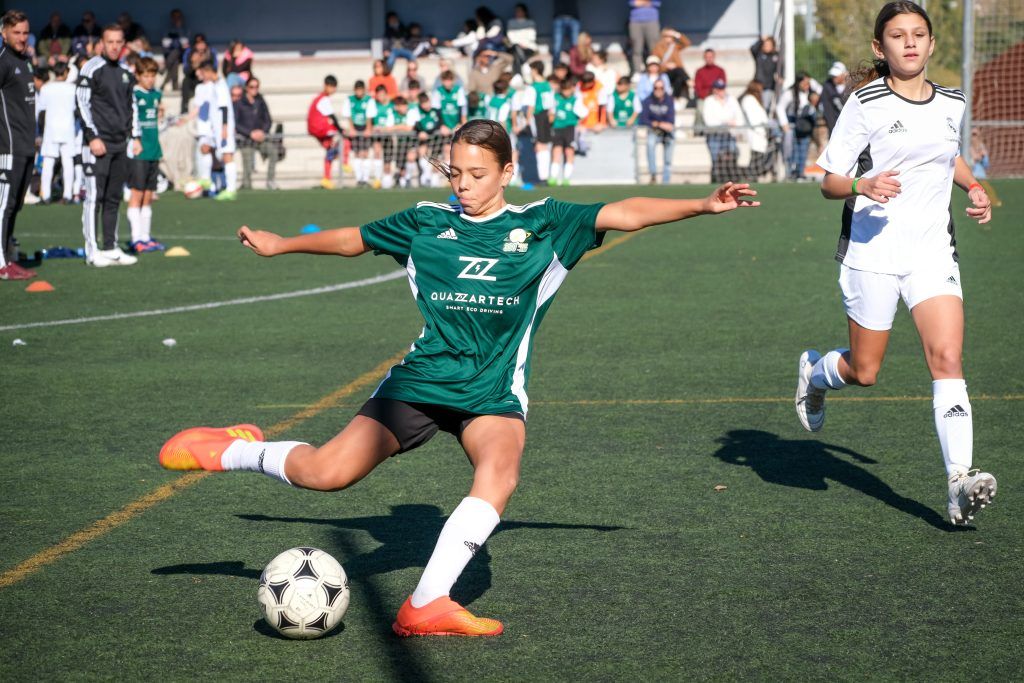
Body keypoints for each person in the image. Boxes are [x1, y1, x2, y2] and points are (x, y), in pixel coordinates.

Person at [158, 116, 759, 638]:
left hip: (492, 391)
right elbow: (353, 240)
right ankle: (234, 450)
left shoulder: (547, 223)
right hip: (420, 382)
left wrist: (702, 204)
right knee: (325, 474)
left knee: (500, 471)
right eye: (455, 173)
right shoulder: (424, 221)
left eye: (476, 174)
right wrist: (280, 244)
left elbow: (624, 212)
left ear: (506, 171)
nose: (464, 185)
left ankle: (425, 605)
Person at [794, 1, 996, 526]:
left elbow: (946, 154)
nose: (910, 43)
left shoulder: (952, 101)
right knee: (865, 371)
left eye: (918, 34)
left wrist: (975, 187)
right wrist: (862, 184)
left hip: (932, 252)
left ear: (931, 45)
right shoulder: (865, 103)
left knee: (947, 357)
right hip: (872, 254)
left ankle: (959, 481)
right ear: (879, 49)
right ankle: (816, 375)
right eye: (898, 36)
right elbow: (828, 180)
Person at [77, 23, 140, 267]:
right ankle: (92, 252)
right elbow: (81, 105)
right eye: (110, 42)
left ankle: (111, 248)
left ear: (124, 44)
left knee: (114, 198)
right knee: (94, 198)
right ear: (102, 43)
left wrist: (133, 137)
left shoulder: (126, 71)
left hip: (119, 144)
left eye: (118, 42)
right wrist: (92, 137)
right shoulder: (91, 68)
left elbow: (130, 106)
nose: (114, 47)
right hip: (97, 144)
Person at [0, 10, 38, 280]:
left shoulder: (25, 61)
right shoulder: (2, 62)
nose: (22, 38)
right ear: (3, 33)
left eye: (25, 32)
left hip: (25, 146)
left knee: (14, 205)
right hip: (7, 147)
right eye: (16, 32)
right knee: (3, 206)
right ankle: (1, 264)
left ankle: (7, 254)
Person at [126, 57, 164, 253]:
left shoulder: (157, 94)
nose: (150, 79)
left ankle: (146, 236)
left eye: (152, 75)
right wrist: (135, 140)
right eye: (146, 76)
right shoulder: (133, 93)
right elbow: (130, 119)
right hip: (139, 151)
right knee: (137, 194)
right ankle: (135, 238)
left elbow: (156, 116)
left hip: (154, 149)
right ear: (138, 76)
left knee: (149, 195)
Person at [195, 60, 239, 200]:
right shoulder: (214, 85)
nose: (203, 76)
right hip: (217, 128)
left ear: (209, 72)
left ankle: (231, 190)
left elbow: (224, 107)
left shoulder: (220, 85)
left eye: (204, 73)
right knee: (209, 150)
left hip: (223, 128)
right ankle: (209, 181)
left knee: (227, 156)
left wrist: (224, 128)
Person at [37, 62, 78, 205]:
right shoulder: (73, 89)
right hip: (67, 130)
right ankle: (68, 195)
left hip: (51, 130)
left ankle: (45, 195)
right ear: (66, 72)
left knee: (48, 163)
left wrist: (39, 131)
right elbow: (76, 108)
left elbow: (41, 109)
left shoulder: (46, 88)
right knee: (68, 163)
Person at [235, 76, 276, 190]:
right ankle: (246, 184)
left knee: (273, 152)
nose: (254, 89)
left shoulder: (260, 101)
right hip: (245, 139)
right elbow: (236, 123)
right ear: (246, 88)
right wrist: (250, 133)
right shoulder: (239, 103)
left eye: (257, 87)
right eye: (252, 87)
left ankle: (270, 181)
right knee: (247, 160)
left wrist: (263, 131)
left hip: (260, 138)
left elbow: (268, 119)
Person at [701, 78, 742, 183]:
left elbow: (739, 118)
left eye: (723, 88)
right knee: (716, 160)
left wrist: (730, 124)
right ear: (714, 90)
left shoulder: (732, 100)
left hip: (729, 135)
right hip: (714, 136)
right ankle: (716, 182)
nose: (721, 91)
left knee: (732, 158)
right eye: (719, 89)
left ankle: (731, 182)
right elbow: (709, 121)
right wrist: (726, 122)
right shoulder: (709, 101)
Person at [775, 72, 815, 180]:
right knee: (793, 149)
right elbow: (780, 107)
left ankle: (801, 172)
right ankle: (792, 172)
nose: (807, 85)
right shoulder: (789, 93)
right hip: (792, 124)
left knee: (803, 149)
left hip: (805, 124)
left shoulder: (810, 92)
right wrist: (784, 124)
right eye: (805, 82)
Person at [307, 75, 344, 190]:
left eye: (334, 87)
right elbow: (332, 116)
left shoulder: (319, 98)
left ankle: (326, 178)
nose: (333, 90)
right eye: (331, 87)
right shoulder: (324, 99)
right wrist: (340, 129)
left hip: (315, 128)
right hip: (319, 128)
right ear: (325, 86)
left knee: (330, 150)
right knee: (344, 138)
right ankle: (346, 162)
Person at [549, 77, 588, 185]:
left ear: (572, 89)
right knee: (556, 151)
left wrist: (579, 123)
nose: (566, 92)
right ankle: (553, 177)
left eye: (568, 89)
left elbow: (584, 113)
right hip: (557, 128)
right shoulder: (556, 98)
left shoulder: (575, 100)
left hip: (570, 128)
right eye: (564, 89)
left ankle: (566, 178)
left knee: (569, 151)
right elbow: (551, 113)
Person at [343, 79, 377, 187]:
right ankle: (359, 179)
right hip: (355, 127)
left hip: (364, 127)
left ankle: (365, 179)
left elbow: (369, 116)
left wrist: (368, 128)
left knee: (365, 153)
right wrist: (351, 128)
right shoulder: (350, 100)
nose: (359, 92)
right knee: (357, 153)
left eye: (360, 90)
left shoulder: (369, 100)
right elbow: (348, 114)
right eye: (357, 90)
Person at [640, 78, 675, 184]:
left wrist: (664, 125)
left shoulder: (669, 100)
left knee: (669, 154)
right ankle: (653, 174)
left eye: (661, 88)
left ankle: (666, 180)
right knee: (650, 143)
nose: (658, 90)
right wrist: (658, 124)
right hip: (654, 130)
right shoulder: (647, 100)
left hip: (667, 132)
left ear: (664, 89)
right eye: (656, 88)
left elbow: (671, 120)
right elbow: (644, 119)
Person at [738, 81, 774, 179]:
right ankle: (751, 176)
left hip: (761, 132)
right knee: (755, 156)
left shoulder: (755, 100)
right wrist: (761, 130)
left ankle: (756, 175)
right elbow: (753, 118)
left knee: (761, 155)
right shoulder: (748, 100)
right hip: (755, 132)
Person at [527, 61, 554, 185]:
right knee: (544, 144)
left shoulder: (533, 87)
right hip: (545, 116)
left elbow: (531, 106)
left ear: (535, 70)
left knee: (539, 145)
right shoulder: (547, 85)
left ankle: (542, 177)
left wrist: (528, 120)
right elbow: (550, 104)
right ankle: (545, 176)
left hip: (537, 117)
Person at [652, 28, 691, 105]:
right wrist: (666, 66)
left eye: (670, 36)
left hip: (677, 72)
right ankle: (689, 80)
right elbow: (654, 62)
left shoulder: (675, 46)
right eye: (666, 36)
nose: (668, 38)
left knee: (679, 77)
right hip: (665, 72)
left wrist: (676, 34)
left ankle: (675, 97)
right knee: (679, 71)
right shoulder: (658, 48)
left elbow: (687, 43)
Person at [628, 0, 662, 75]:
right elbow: (632, 3)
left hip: (652, 20)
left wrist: (641, 2)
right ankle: (637, 71)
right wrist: (646, 2)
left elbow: (657, 3)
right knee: (636, 48)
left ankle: (654, 70)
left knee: (653, 48)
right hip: (635, 21)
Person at [160, 9, 189, 91]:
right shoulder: (167, 29)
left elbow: (185, 44)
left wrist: (178, 31)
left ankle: (164, 68)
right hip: (170, 54)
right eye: (175, 17)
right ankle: (174, 86)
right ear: (171, 18)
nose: (177, 19)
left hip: (182, 54)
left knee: (177, 51)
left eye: (178, 17)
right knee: (174, 61)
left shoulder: (185, 29)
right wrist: (176, 41)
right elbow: (165, 43)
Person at [750, 35, 781, 110]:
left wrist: (780, 77)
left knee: (766, 106)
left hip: (769, 86)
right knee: (756, 105)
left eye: (768, 45)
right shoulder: (759, 54)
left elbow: (782, 66)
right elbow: (752, 49)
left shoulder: (776, 56)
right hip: (758, 85)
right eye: (765, 45)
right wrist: (761, 40)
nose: (766, 46)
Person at [821, 61, 848, 134]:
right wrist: (833, 129)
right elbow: (827, 109)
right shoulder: (827, 87)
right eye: (833, 76)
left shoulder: (852, 87)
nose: (834, 78)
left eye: (836, 75)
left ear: (844, 74)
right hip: (834, 128)